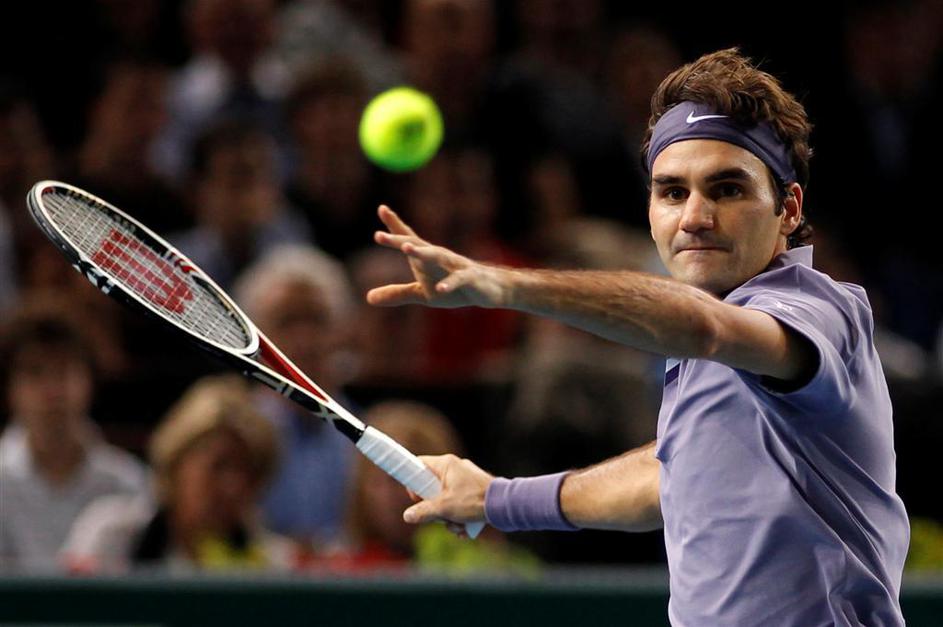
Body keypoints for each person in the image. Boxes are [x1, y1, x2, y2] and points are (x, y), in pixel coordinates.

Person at [368, 49, 910, 625]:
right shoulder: (712, 336)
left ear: (788, 208)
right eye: (672, 192)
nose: (694, 217)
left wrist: (502, 283)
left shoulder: (818, 311)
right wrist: (496, 498)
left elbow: (705, 328)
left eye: (727, 189)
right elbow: (672, 472)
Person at [62, 375, 292, 573]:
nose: (234, 486)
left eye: (249, 472)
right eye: (219, 465)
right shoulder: (112, 536)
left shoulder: (273, 564)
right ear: (177, 461)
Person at [0, 298, 146, 572]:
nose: (52, 391)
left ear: (89, 380)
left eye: (63, 371)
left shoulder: (128, 482)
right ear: (9, 387)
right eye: (34, 372)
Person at [233, 244, 357, 546]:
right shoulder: (232, 438)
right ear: (253, 337)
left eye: (317, 319)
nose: (305, 339)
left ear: (343, 331)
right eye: (287, 321)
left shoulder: (371, 441)